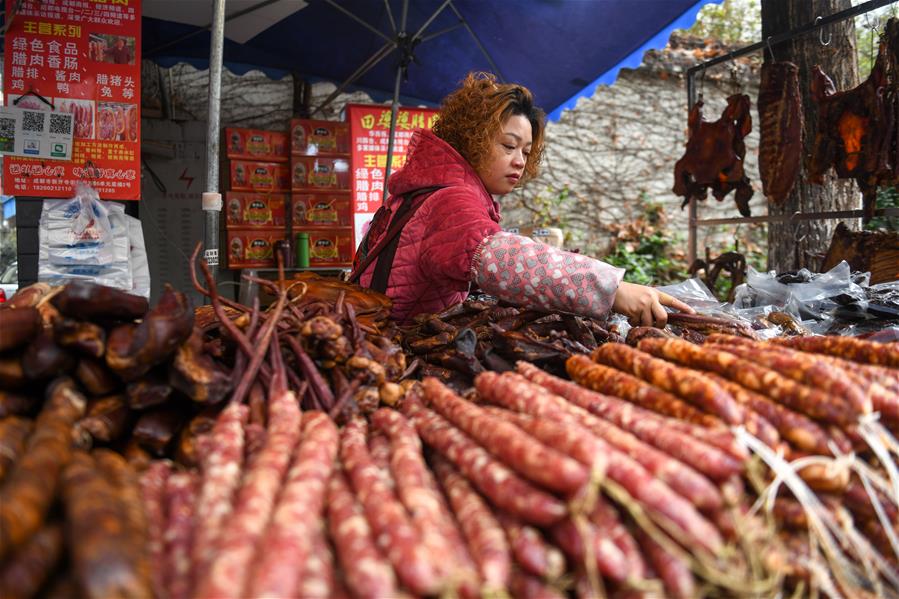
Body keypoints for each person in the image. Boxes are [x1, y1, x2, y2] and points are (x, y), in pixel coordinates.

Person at [351, 72, 693, 325]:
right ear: (472, 139)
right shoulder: (451, 201)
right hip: (393, 350)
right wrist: (611, 289)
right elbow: (498, 256)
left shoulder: (423, 190)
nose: (520, 161)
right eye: (508, 145)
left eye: (527, 151)